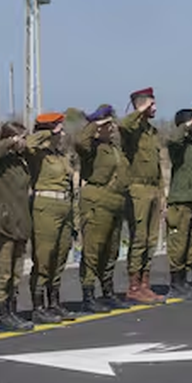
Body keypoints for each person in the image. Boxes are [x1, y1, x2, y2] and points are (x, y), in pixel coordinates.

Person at [0, 121, 36, 332]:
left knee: (17, 271)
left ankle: (12, 310)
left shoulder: (20, 162)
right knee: (3, 273)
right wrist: (8, 143)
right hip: (2, 224)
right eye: (20, 137)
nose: (23, 141)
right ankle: (3, 315)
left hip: (20, 223)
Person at [75, 104, 128, 314]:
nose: (111, 127)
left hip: (115, 202)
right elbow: (79, 142)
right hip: (96, 201)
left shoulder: (114, 148)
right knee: (93, 250)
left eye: (112, 123)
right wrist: (94, 124)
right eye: (107, 124)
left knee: (111, 250)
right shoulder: (91, 147)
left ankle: (108, 291)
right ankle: (88, 294)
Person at [28, 112, 78, 323]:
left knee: (60, 255)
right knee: (44, 256)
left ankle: (54, 302)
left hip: (64, 206)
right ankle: (38, 306)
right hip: (45, 206)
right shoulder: (37, 154)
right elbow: (29, 142)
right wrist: (46, 131)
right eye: (59, 128)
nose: (63, 132)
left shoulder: (60, 155)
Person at [118, 88, 165, 304]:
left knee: (151, 239)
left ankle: (145, 283)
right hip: (137, 189)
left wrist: (162, 194)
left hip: (153, 189)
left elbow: (157, 166)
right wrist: (140, 110)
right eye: (151, 105)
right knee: (139, 239)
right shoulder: (132, 128)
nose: (155, 108)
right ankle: (134, 286)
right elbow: (124, 125)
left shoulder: (151, 131)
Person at [165, 109, 192, 298]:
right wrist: (186, 125)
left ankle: (186, 281)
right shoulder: (179, 146)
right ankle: (176, 283)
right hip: (181, 201)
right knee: (179, 244)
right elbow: (173, 140)